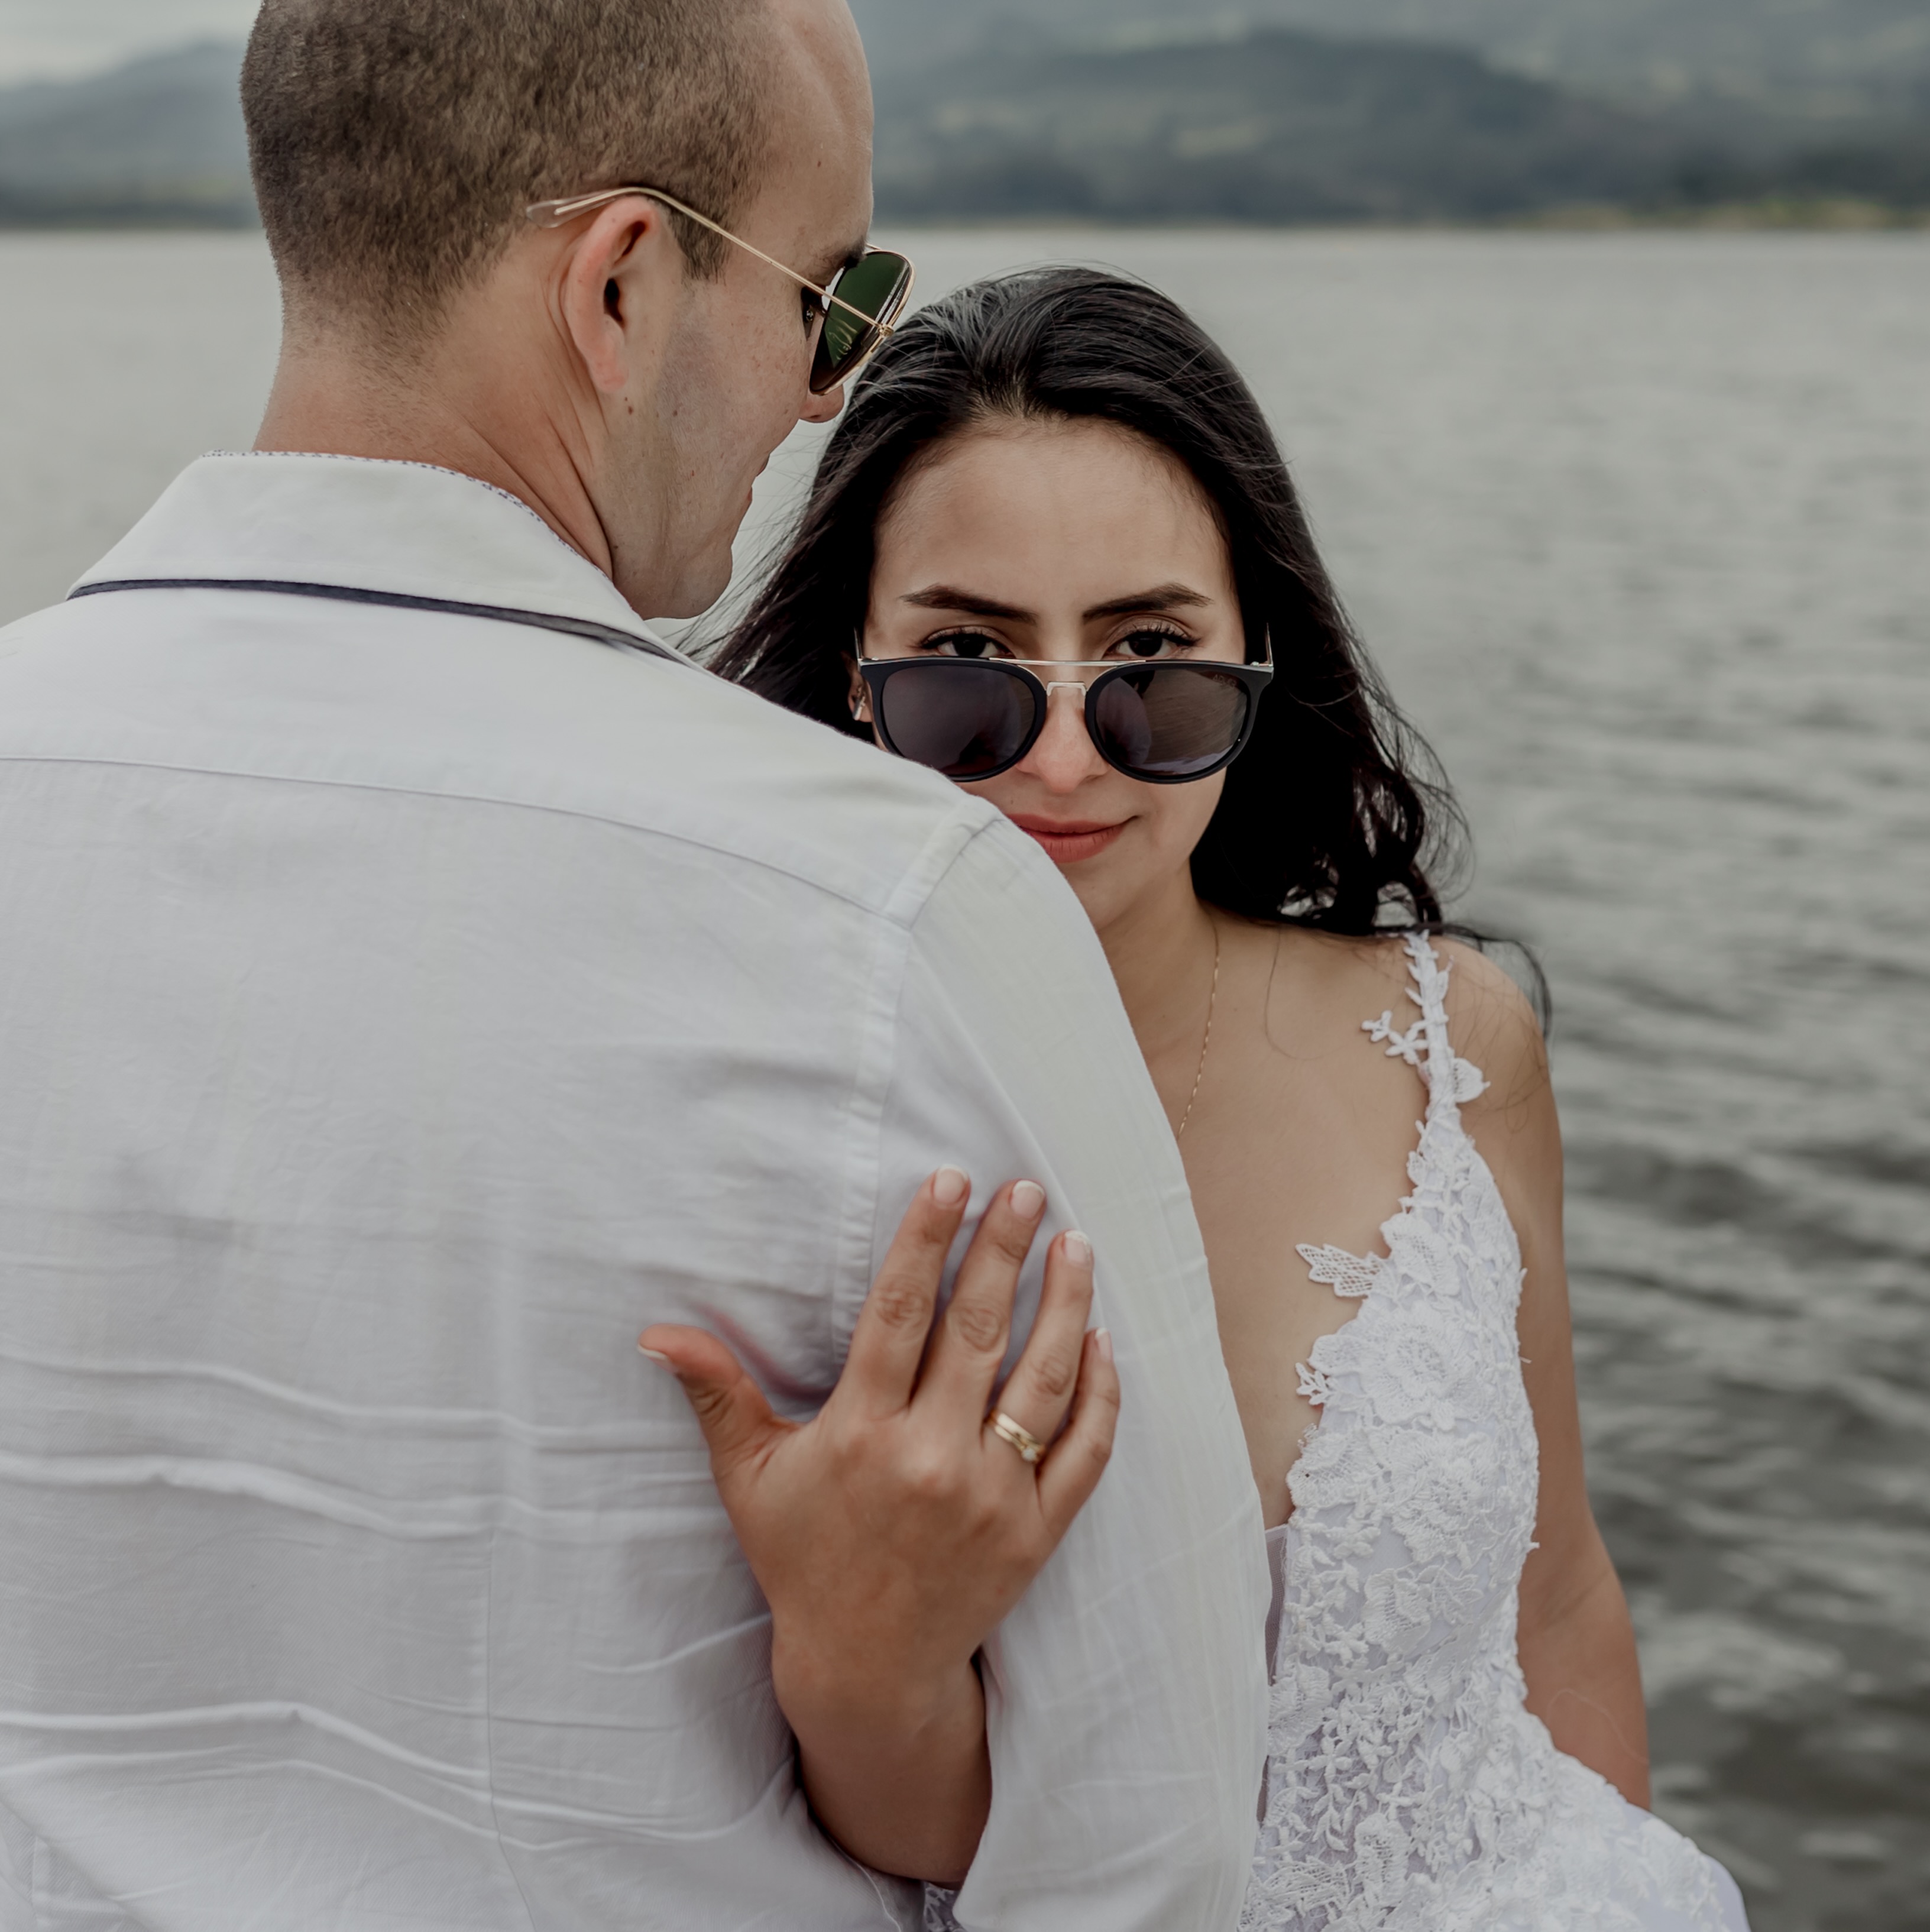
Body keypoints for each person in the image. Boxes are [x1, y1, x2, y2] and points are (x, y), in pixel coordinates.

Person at [0, 5, 1264, 1928]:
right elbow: (1142, 1841)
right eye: (829, 303)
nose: (825, 395)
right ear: (618, 286)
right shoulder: (893, 905)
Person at [712, 270, 1751, 1931]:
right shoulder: (777, 1117)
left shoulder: (1454, 1040)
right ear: (856, 673)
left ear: (1255, 664)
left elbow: (1556, 1600)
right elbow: (916, 1821)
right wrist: (859, 1658)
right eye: (970, 659)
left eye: (1148, 659)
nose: (1061, 757)